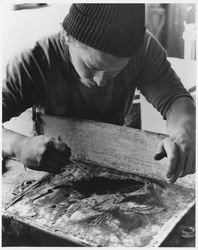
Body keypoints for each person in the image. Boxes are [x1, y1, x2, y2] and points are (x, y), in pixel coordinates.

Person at [2, 4, 195, 182]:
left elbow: (174, 99)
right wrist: (18, 146)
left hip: (109, 160)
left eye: (115, 71)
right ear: (66, 37)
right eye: (89, 66)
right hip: (44, 171)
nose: (101, 82)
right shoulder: (33, 61)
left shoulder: (143, 49)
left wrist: (183, 134)